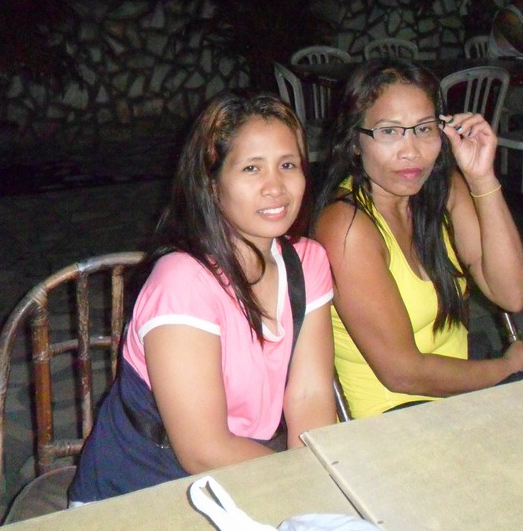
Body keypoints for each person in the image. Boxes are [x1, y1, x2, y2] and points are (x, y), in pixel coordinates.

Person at [69, 92, 335, 502]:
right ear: (212, 184)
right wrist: (297, 483)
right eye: (251, 168)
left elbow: (309, 396)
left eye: (288, 165)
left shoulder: (307, 262)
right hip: (142, 493)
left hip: (245, 477)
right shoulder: (183, 283)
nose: (275, 187)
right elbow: (203, 450)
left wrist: (317, 485)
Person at [312, 59, 523, 419]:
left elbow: (512, 294)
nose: (411, 151)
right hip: (396, 418)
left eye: (423, 129)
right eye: (389, 132)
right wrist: (506, 368)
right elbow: (402, 373)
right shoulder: (347, 227)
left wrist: (482, 178)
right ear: (355, 141)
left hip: (460, 402)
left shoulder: (443, 190)